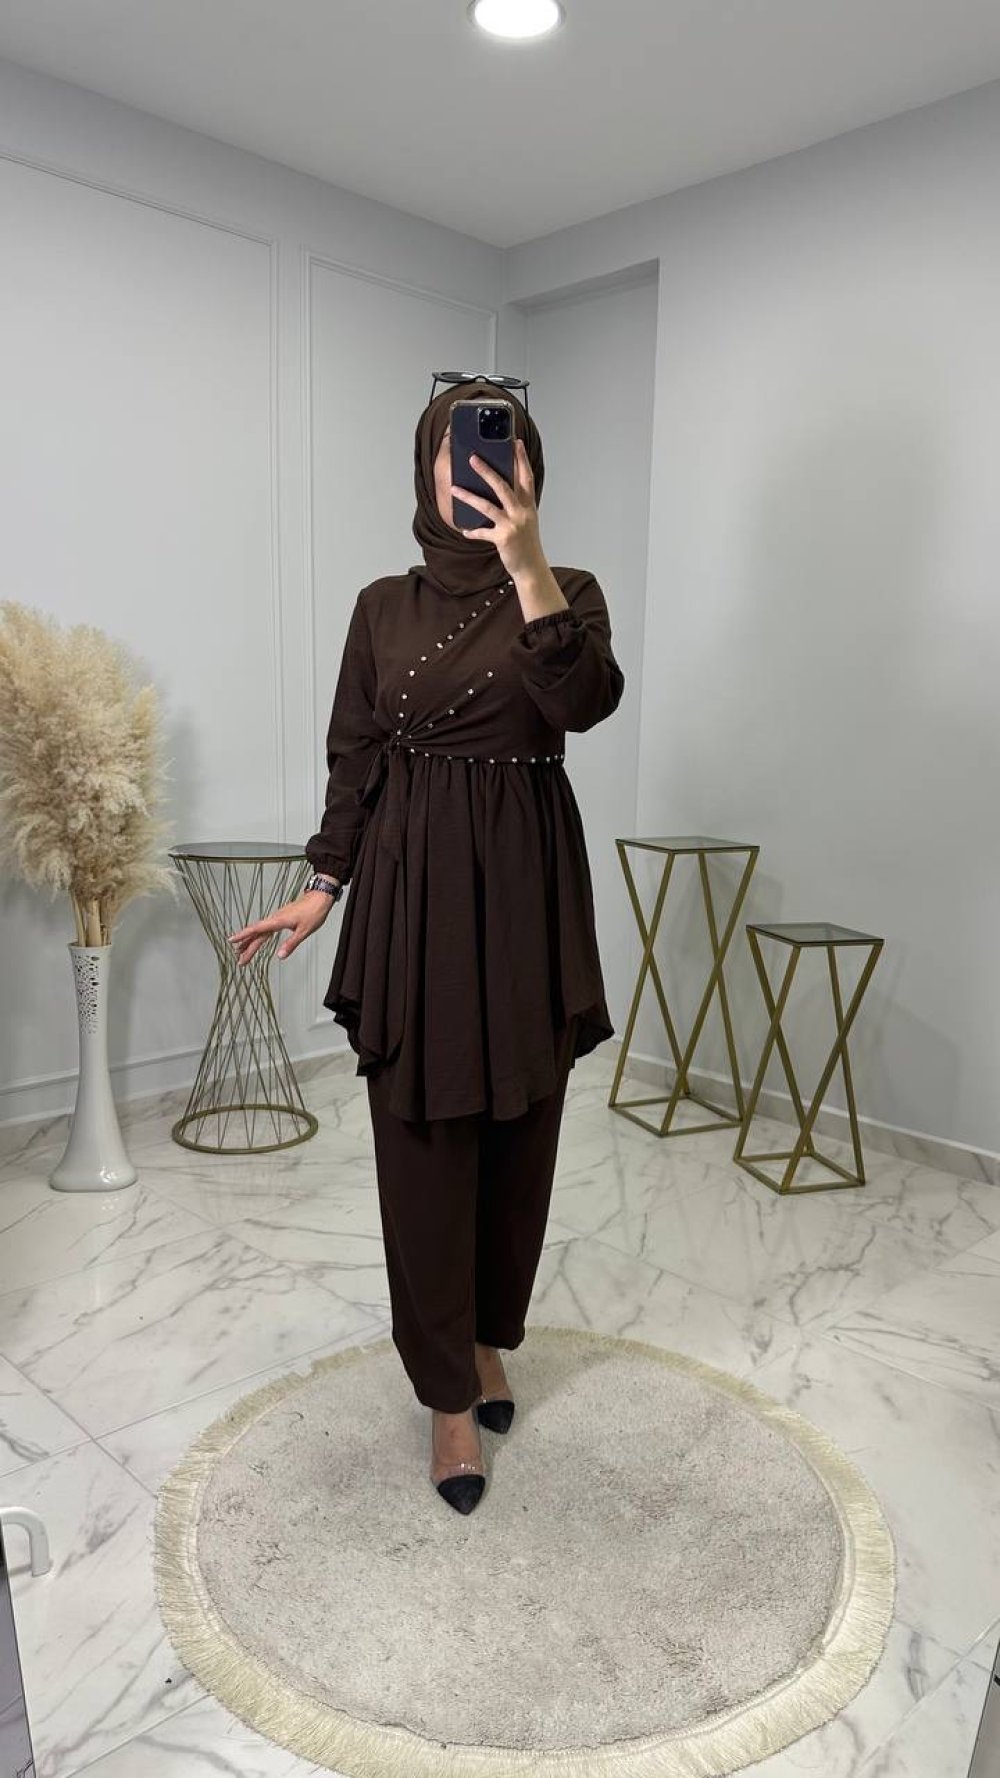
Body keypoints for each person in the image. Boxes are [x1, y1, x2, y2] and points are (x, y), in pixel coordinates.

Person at [229, 377, 624, 1514]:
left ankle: (490, 1336)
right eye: (457, 449)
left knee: (520, 1136)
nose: (477, 467)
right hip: (414, 894)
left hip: (526, 892)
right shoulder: (381, 606)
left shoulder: (569, 589)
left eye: (500, 448)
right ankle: (448, 1394)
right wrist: (323, 882)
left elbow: (584, 703)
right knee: (424, 1144)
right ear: (425, 467)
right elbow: (355, 756)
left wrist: (527, 561)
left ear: (529, 465)